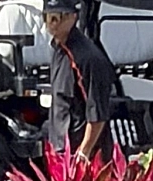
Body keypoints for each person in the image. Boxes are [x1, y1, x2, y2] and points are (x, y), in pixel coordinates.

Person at [44, 0, 118, 163]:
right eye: (48, 18)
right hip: (61, 149)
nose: (51, 25)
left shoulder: (88, 59)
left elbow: (97, 113)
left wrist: (84, 152)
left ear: (73, 17)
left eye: (57, 18)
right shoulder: (58, 48)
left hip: (83, 154)